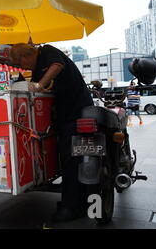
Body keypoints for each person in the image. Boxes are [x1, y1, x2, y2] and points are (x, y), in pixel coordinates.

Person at [10, 43, 94, 222]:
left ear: (26, 56)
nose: (22, 68)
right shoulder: (36, 70)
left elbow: (57, 66)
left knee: (71, 158)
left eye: (21, 63)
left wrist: (39, 85)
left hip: (78, 111)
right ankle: (80, 200)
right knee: (68, 157)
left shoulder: (47, 51)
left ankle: (71, 207)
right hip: (63, 116)